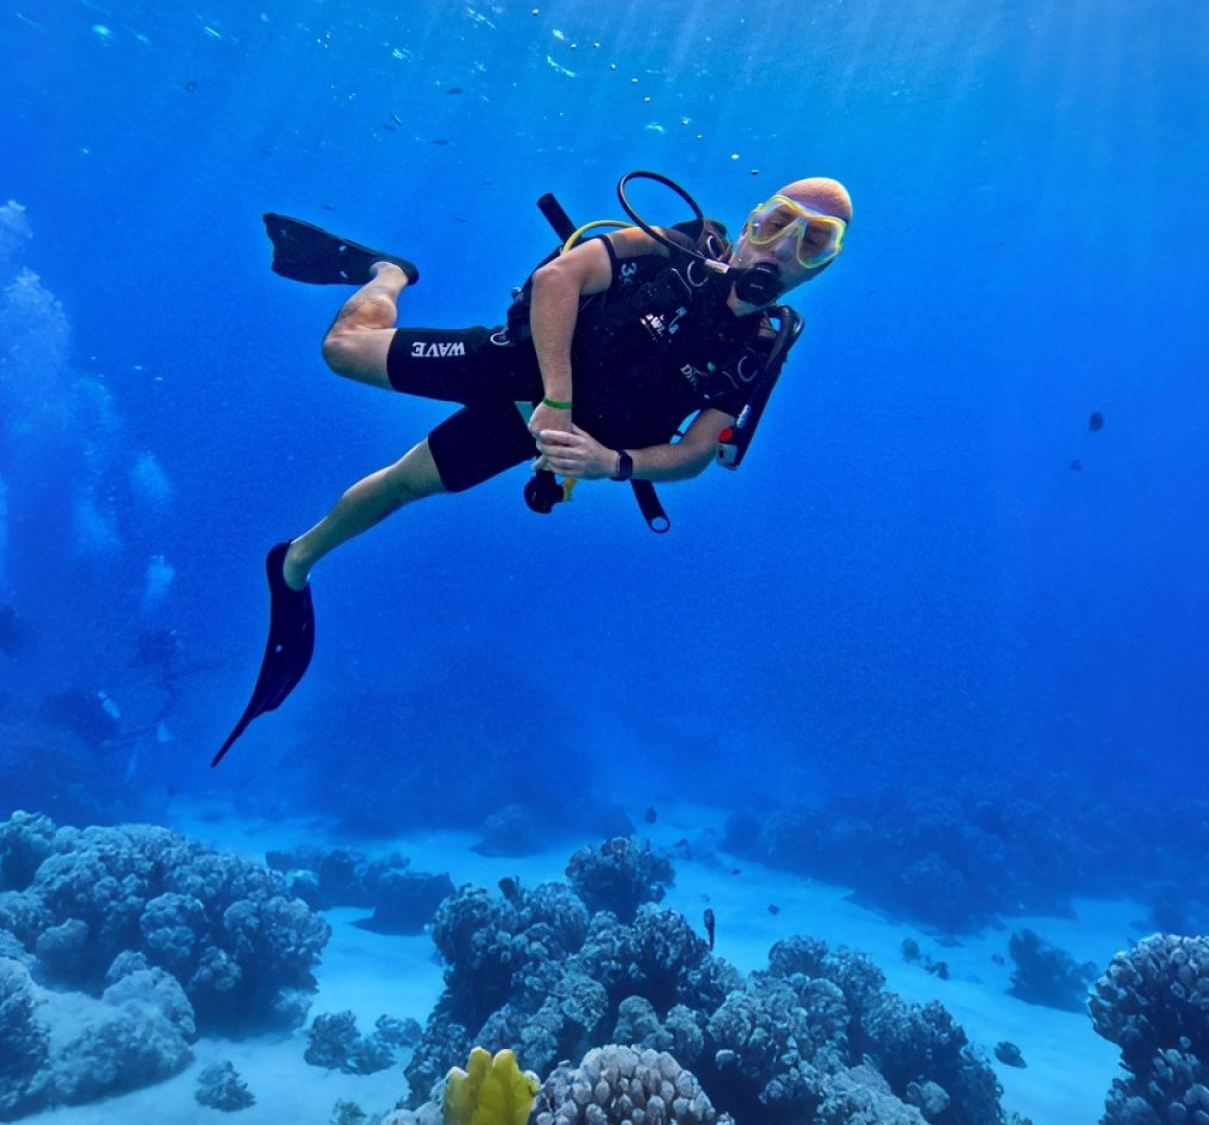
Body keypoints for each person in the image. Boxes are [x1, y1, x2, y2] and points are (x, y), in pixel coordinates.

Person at [209, 175, 852, 766]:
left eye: (815, 241)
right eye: (777, 223)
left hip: (566, 434)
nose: (784, 247)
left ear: (823, 266)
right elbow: (558, 281)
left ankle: (293, 563)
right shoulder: (677, 246)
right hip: (523, 368)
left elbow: (698, 452)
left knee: (406, 484)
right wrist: (559, 400)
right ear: (748, 225)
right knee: (342, 351)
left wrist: (613, 463)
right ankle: (387, 273)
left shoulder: (763, 347)